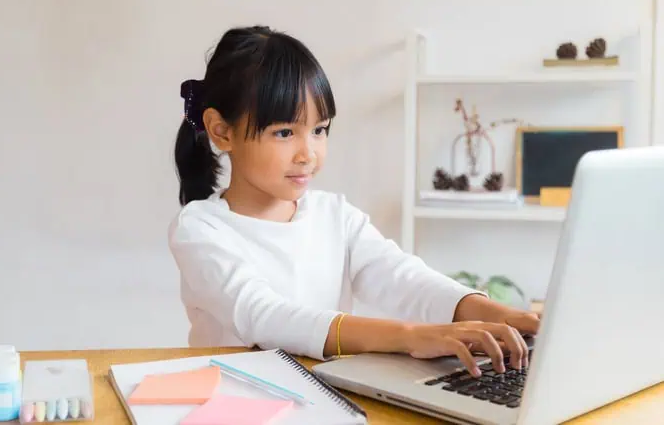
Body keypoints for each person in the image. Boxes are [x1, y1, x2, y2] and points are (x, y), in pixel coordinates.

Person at [168, 25, 540, 377]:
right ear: (221, 131)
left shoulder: (335, 216)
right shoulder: (201, 228)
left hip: (323, 402)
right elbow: (264, 317)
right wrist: (411, 337)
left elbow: (403, 279)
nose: (308, 153)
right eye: (284, 132)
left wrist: (493, 312)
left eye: (319, 130)